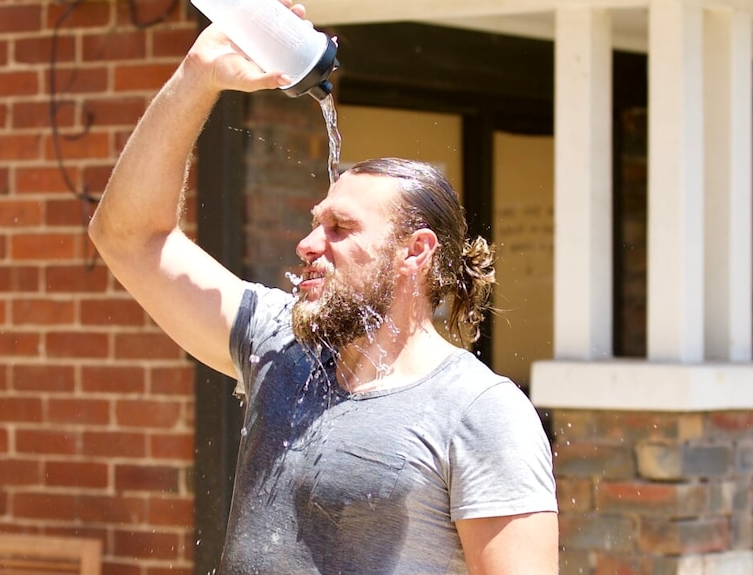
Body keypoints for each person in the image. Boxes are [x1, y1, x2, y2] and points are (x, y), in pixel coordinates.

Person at [89, 2, 559, 573]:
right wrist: (196, 74)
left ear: (416, 252)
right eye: (316, 222)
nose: (308, 244)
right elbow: (128, 237)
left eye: (340, 228)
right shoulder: (278, 346)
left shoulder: (480, 411)